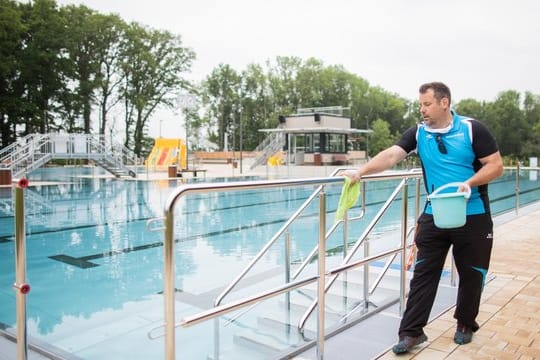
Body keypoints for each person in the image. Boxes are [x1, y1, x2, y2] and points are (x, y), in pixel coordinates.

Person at [342, 82, 503, 354]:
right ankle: (411, 332)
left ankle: (465, 323)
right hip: (434, 214)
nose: (422, 110)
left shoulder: (472, 129)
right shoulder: (418, 133)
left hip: (473, 213)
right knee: (423, 274)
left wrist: (469, 183)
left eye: (426, 104)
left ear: (444, 103)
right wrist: (361, 172)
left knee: (472, 274)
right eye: (420, 105)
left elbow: (496, 165)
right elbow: (392, 154)